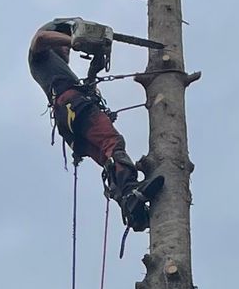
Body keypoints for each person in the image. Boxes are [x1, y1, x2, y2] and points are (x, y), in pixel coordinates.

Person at [28, 16, 163, 231]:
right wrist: (74, 40)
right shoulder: (42, 56)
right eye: (64, 44)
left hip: (70, 121)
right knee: (113, 143)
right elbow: (40, 38)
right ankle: (130, 191)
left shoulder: (59, 71)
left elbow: (86, 87)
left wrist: (94, 69)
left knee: (108, 158)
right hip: (74, 106)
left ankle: (131, 205)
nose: (67, 49)